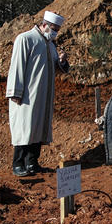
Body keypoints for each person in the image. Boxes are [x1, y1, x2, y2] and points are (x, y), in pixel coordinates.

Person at [6, 10, 69, 177]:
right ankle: (18, 163)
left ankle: (32, 162)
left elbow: (56, 69)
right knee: (24, 127)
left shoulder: (50, 45)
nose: (55, 32)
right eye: (53, 28)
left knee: (38, 128)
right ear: (44, 25)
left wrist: (62, 61)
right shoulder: (25, 39)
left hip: (44, 95)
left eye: (57, 29)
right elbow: (17, 66)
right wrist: (15, 92)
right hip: (27, 94)